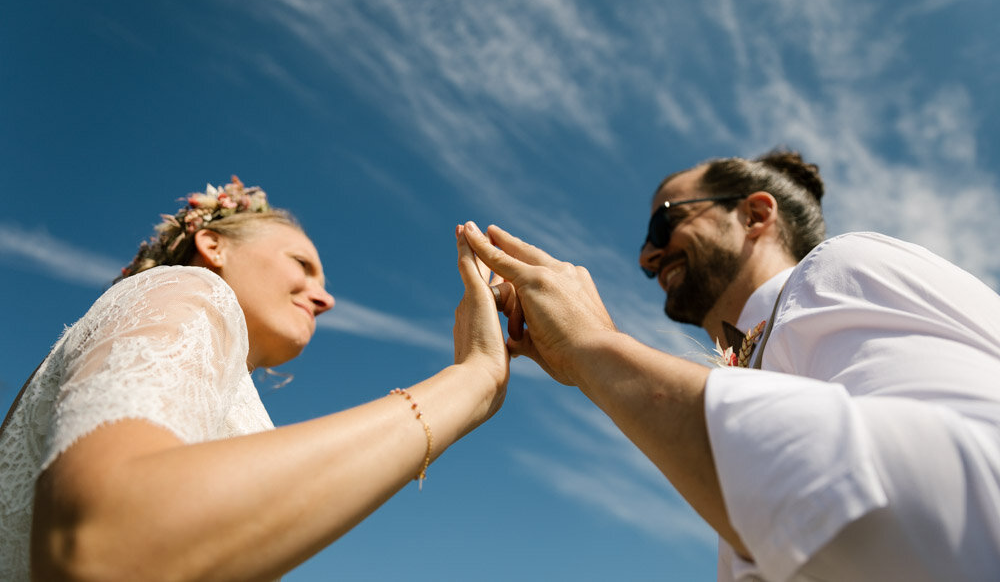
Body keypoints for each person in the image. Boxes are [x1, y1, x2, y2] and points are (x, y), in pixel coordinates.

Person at [463, 151, 1000, 582]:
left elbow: (970, 499)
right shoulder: (751, 372)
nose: (648, 257)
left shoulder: (843, 266)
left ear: (756, 215)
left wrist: (596, 350)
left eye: (663, 222)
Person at [0, 176, 509, 581]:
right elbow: (105, 542)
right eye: (302, 265)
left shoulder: (222, 382)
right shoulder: (189, 285)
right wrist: (474, 380)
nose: (325, 298)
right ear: (212, 245)